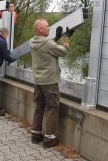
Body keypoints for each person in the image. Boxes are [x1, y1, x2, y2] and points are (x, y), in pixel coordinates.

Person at [29, 19, 75, 148]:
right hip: (49, 82)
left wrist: (56, 37)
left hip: (38, 81)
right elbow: (63, 52)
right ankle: (49, 138)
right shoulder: (47, 43)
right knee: (51, 108)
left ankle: (35, 134)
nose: (49, 29)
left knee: (39, 107)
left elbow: (48, 49)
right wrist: (66, 38)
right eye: (47, 27)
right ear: (40, 29)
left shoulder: (32, 42)